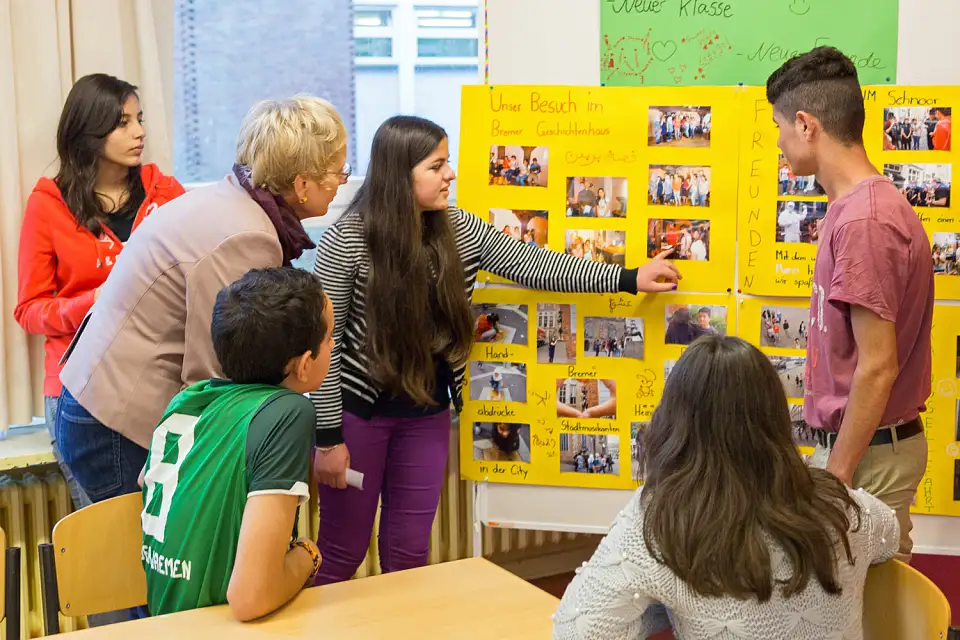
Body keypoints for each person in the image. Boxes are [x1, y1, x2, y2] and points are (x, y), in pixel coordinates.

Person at [311, 115, 681, 584]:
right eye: (437, 166)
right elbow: (326, 342)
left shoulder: (460, 230)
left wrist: (630, 278)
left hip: (426, 413)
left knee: (408, 554)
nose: (451, 175)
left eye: (449, 163)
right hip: (357, 416)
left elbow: (539, 267)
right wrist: (327, 438)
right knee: (340, 553)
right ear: (399, 174)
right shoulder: (347, 240)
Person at [57, 96, 349, 504]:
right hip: (117, 424)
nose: (343, 181)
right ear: (302, 185)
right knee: (143, 564)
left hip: (99, 399)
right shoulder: (247, 238)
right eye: (339, 171)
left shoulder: (232, 201)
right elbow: (214, 374)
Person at [553, 336, 899, 639]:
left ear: (675, 423)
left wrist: (666, 610)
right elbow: (890, 536)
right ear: (776, 417)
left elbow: (576, 631)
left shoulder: (661, 522)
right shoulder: (841, 506)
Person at [767, 46, 933, 561]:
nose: (779, 143)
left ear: (805, 124)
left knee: (867, 618)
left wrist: (836, 476)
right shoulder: (856, 209)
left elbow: (878, 366)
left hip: (869, 456)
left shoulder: (865, 220)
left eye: (779, 128)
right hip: (864, 448)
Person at [14, 74, 184, 513]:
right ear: (89, 131)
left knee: (170, 540)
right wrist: (96, 301)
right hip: (82, 394)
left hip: (161, 385)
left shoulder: (163, 191)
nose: (140, 132)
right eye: (123, 122)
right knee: (110, 546)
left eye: (139, 119)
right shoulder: (48, 203)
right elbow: (29, 310)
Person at [141, 267, 332, 620]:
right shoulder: (289, 412)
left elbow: (149, 482)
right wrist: (308, 555)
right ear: (304, 364)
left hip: (164, 618)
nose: (333, 346)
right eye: (329, 339)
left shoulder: (192, 398)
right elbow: (250, 599)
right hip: (215, 623)